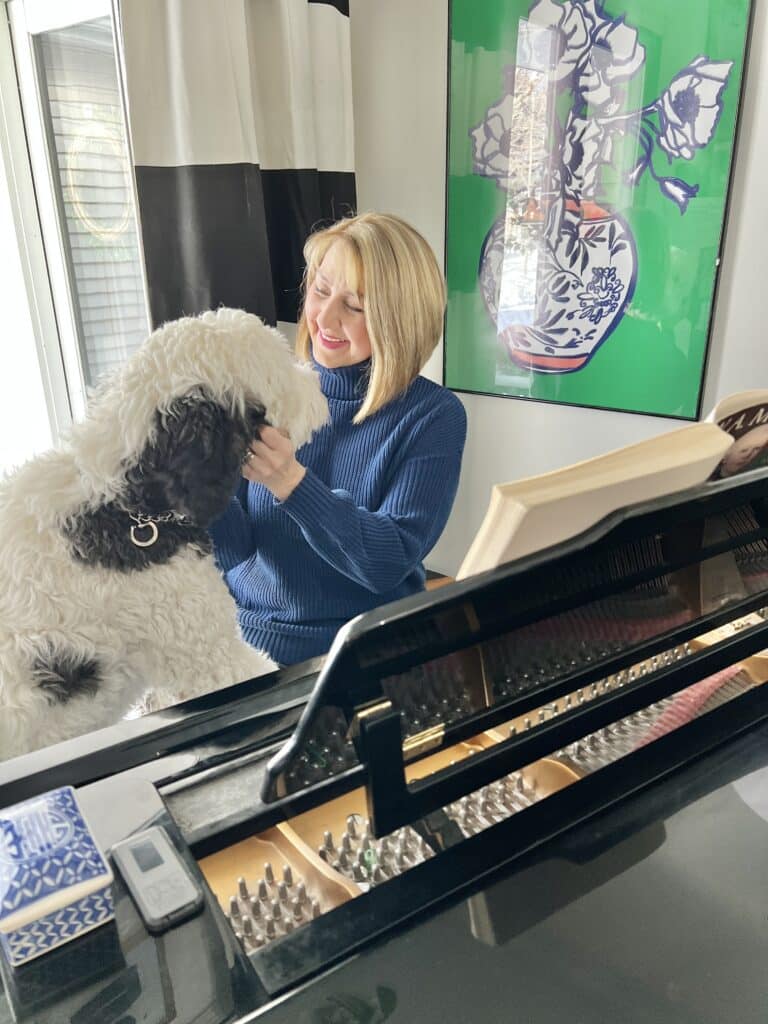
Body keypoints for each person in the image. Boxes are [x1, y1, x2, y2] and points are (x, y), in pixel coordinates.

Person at [210, 213, 467, 666]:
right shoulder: (265, 391)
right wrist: (195, 483)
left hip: (368, 654)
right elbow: (233, 553)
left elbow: (386, 564)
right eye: (321, 290)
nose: (324, 318)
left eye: (355, 306)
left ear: (399, 320)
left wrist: (290, 481)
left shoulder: (433, 417)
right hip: (248, 646)